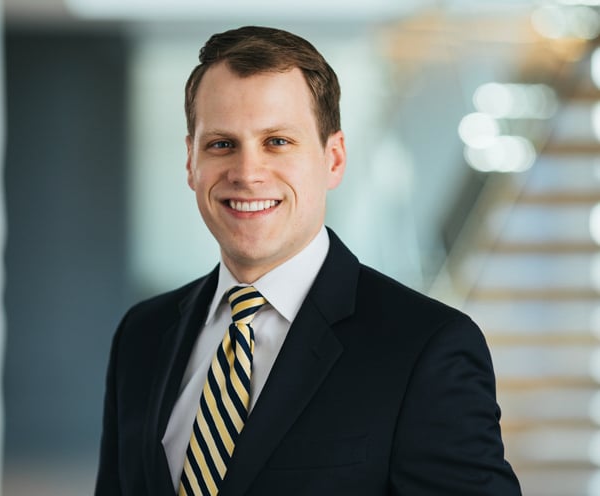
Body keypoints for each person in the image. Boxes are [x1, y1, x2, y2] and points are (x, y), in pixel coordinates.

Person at [95, 25, 521, 496]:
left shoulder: (427, 347)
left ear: (333, 159)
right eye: (221, 144)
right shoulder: (142, 334)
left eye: (277, 141)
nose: (247, 173)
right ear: (191, 162)